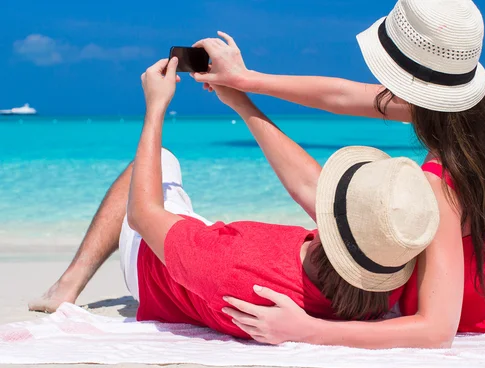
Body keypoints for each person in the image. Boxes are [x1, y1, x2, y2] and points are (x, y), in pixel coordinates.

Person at [191, 0, 485, 348]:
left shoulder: (440, 185)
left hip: (469, 312)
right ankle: (242, 107)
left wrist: (306, 330)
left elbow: (436, 331)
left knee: (341, 205)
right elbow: (341, 97)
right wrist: (246, 81)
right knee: (343, 200)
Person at [29, 56, 440, 343]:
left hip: (153, 267)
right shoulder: (376, 281)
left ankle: (69, 284)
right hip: (210, 243)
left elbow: (142, 214)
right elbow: (305, 185)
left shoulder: (233, 267)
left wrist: (156, 107)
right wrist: (240, 100)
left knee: (155, 163)